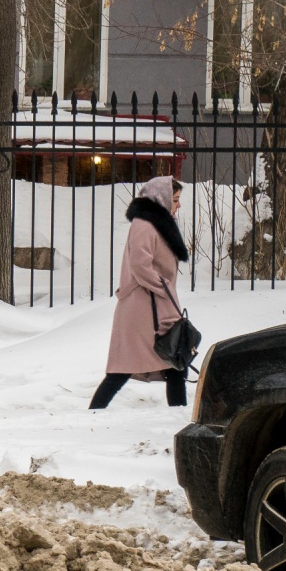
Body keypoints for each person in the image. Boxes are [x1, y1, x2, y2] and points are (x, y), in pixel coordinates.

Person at [91, 175, 189, 409]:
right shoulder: (144, 224)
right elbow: (139, 264)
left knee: (175, 365)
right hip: (144, 309)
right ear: (161, 199)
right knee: (123, 369)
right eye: (175, 199)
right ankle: (93, 413)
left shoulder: (157, 223)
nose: (179, 205)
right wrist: (162, 285)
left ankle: (179, 416)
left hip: (157, 307)